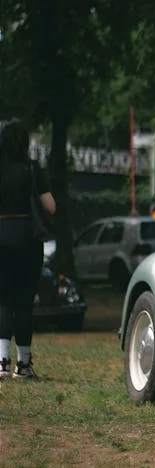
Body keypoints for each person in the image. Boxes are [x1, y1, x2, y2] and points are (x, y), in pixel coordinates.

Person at [0, 119, 56, 379]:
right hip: (27, 239)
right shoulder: (32, 169)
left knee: (1, 299)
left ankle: (2, 363)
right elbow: (50, 207)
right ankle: (23, 365)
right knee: (23, 302)